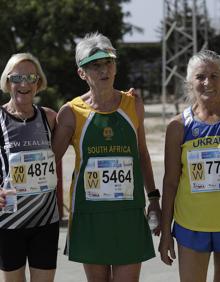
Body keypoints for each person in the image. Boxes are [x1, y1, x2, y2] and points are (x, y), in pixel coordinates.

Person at [52, 32, 161, 282]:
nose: (105, 70)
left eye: (109, 62)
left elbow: (142, 153)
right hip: (89, 214)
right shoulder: (70, 113)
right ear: (82, 73)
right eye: (96, 65)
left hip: (128, 211)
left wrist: (153, 198)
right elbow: (48, 161)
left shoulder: (133, 104)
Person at [159, 50, 220, 282]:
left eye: (215, 76)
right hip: (191, 226)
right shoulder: (178, 126)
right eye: (201, 77)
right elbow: (171, 182)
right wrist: (166, 233)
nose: (208, 82)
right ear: (189, 82)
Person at [0, 53, 59, 282]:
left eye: (30, 77)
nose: (23, 84)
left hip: (45, 220)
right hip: (9, 220)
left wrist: (124, 97)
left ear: (39, 83)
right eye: (17, 78)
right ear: (7, 82)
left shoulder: (50, 117)